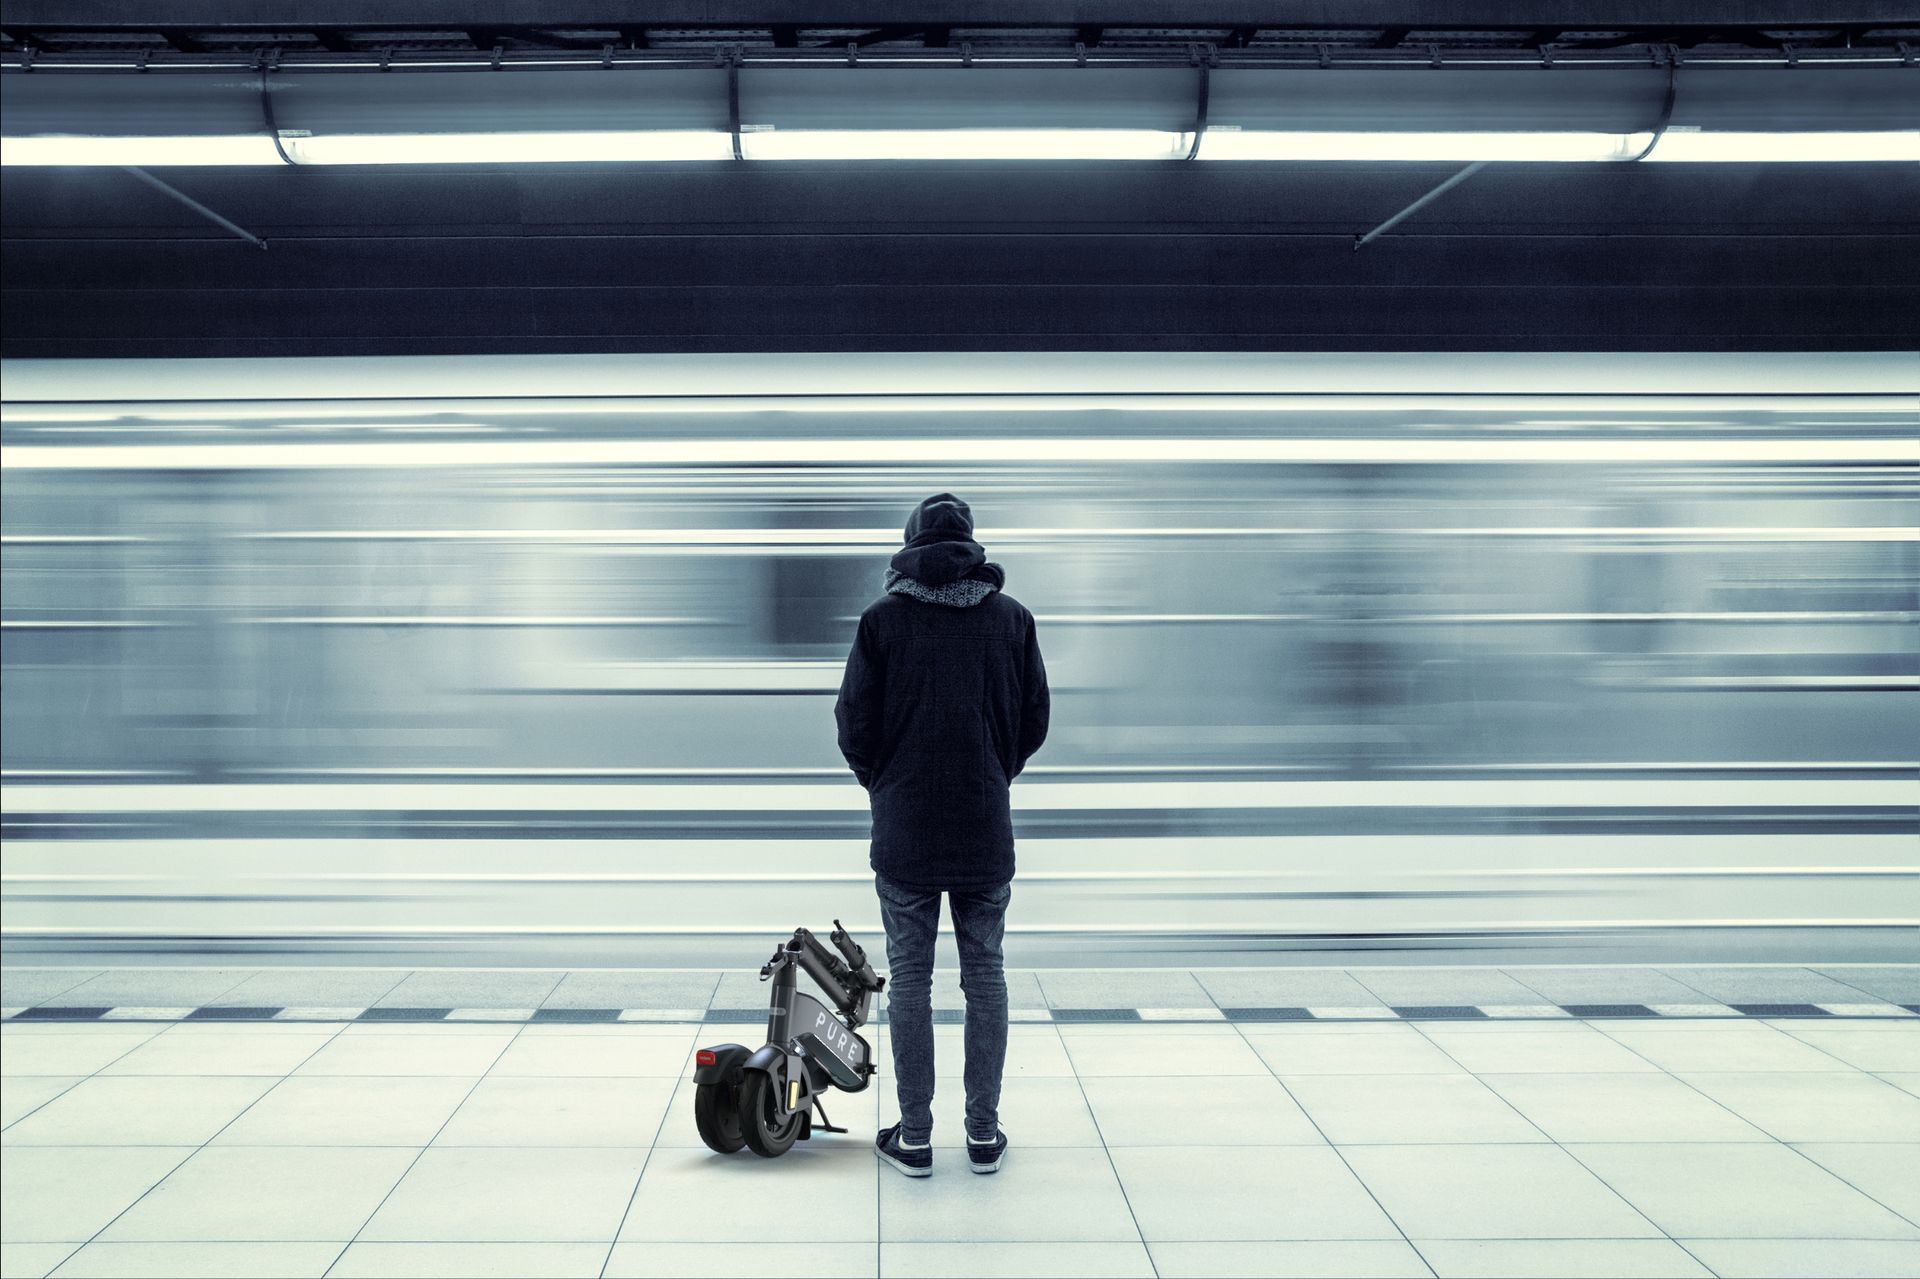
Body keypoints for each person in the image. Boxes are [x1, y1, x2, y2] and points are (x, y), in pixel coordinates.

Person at [834, 493, 1049, 1178]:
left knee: (914, 980)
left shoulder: (882, 621)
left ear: (909, 546)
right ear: (972, 547)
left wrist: (887, 783)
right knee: (986, 975)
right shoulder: (1012, 619)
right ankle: (983, 1133)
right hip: (985, 825)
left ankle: (917, 1136)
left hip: (905, 833)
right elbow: (1034, 719)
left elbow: (852, 724)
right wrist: (993, 769)